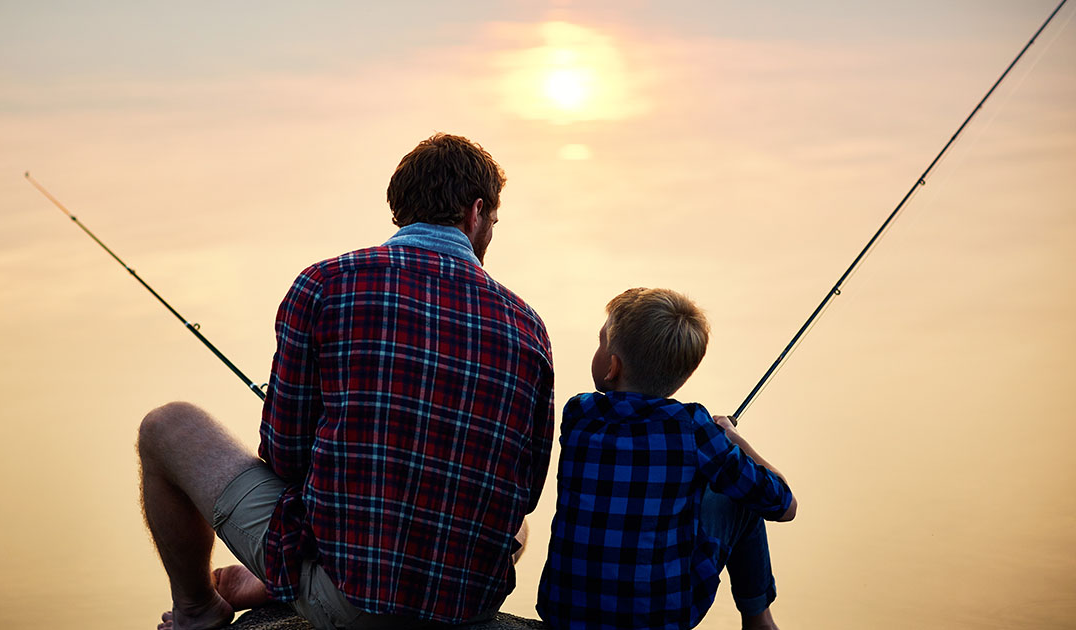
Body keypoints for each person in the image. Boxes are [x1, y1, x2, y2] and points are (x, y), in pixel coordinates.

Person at [137, 133, 555, 630]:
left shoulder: (324, 284)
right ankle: (283, 579)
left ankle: (198, 609)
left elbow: (286, 457)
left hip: (353, 606)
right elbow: (525, 490)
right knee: (518, 525)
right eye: (494, 224)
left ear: (401, 210)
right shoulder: (528, 326)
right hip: (469, 607)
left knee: (167, 426)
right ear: (476, 213)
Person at [536, 288, 796, 630]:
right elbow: (784, 505)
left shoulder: (578, 414)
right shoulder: (693, 428)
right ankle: (759, 620)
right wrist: (733, 438)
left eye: (601, 342)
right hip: (658, 620)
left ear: (612, 367)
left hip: (565, 611)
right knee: (741, 496)